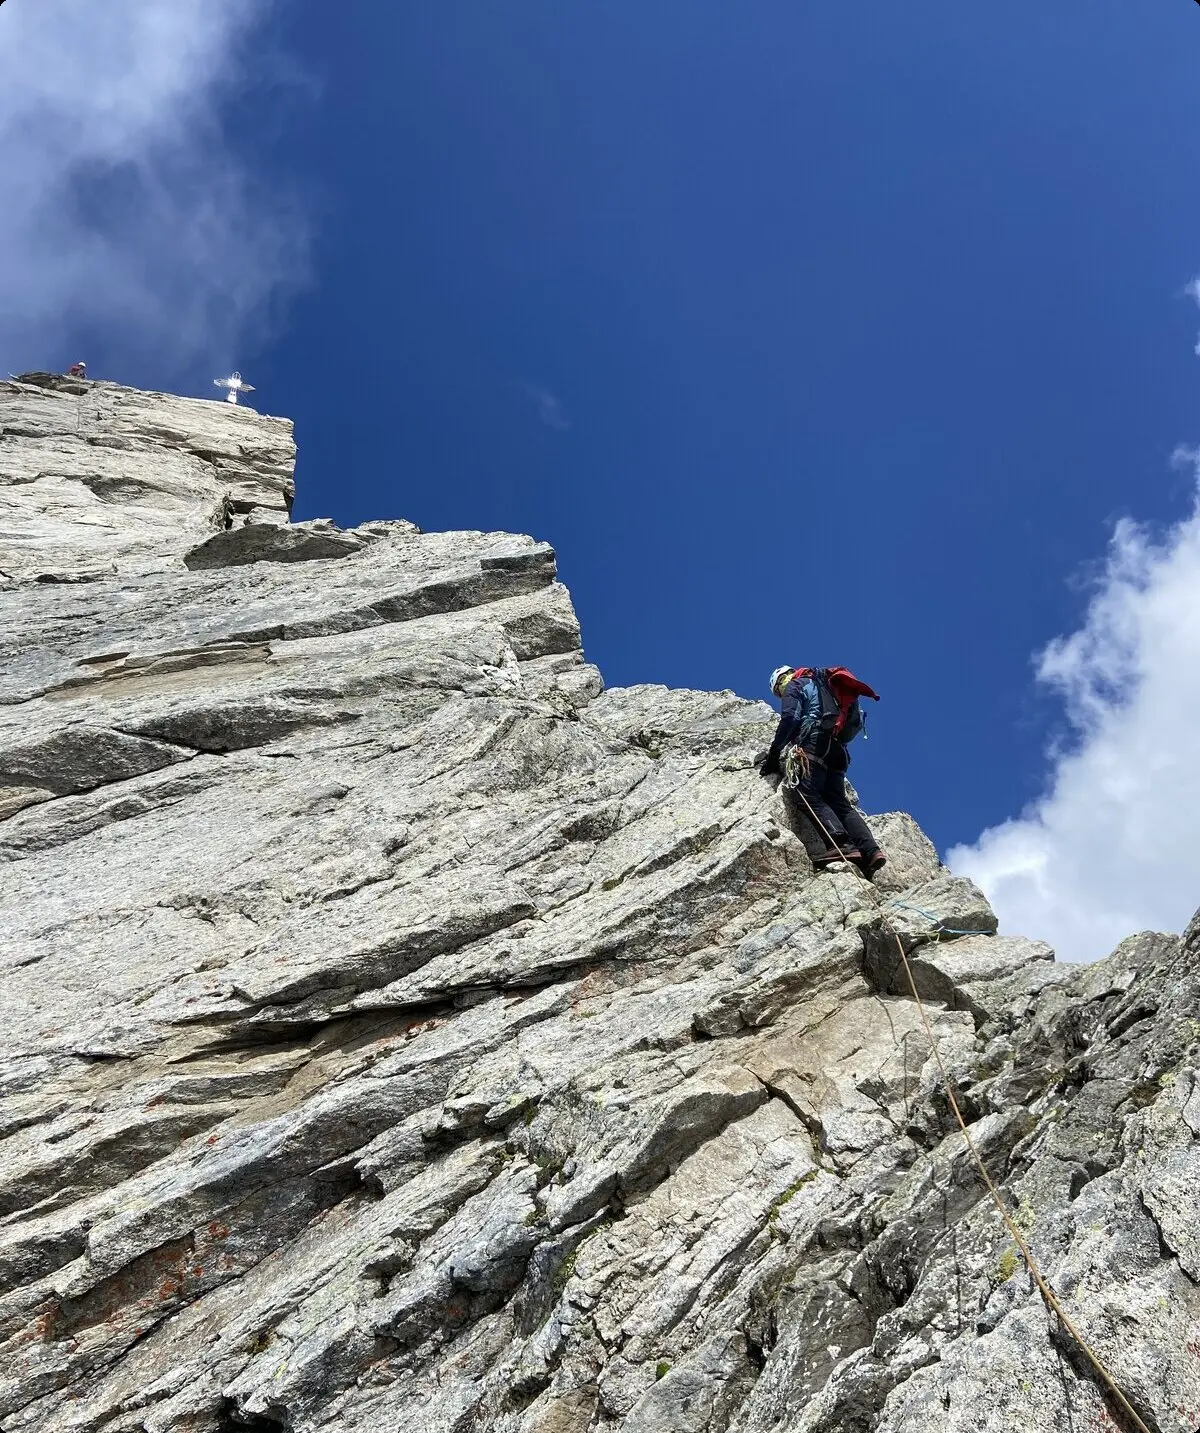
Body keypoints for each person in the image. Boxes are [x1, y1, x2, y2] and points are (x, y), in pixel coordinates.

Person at [760, 665, 886, 877]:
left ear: (780, 682)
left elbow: (790, 717)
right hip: (838, 748)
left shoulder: (795, 685)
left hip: (815, 743)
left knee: (805, 793)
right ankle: (870, 851)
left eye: (778, 693)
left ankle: (841, 844)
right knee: (838, 802)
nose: (781, 695)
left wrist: (774, 754)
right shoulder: (823, 685)